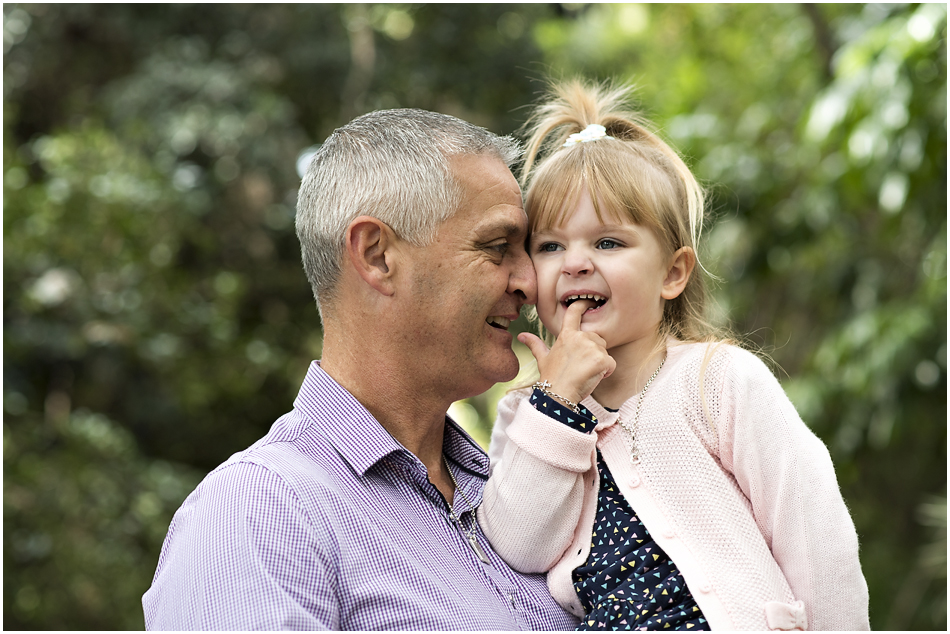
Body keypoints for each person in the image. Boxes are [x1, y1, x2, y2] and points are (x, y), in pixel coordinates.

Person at [142, 108, 579, 630]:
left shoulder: (521, 489)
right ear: (376, 255)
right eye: (496, 247)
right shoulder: (260, 514)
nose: (531, 281)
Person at [476, 80, 870, 631]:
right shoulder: (531, 417)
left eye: (608, 242)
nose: (576, 262)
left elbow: (814, 537)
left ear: (673, 273)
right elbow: (519, 546)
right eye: (550, 246)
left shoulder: (717, 380)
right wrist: (559, 402)